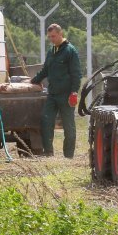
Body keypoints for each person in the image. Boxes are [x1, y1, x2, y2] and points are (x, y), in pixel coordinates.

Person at [30, 23, 82, 158]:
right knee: (46, 121)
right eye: (49, 37)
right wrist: (33, 81)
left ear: (60, 34)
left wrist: (74, 92)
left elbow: (76, 74)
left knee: (69, 126)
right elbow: (45, 70)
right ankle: (48, 152)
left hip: (66, 95)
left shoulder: (70, 51)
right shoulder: (51, 51)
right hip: (52, 94)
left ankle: (68, 155)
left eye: (53, 36)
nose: (51, 39)